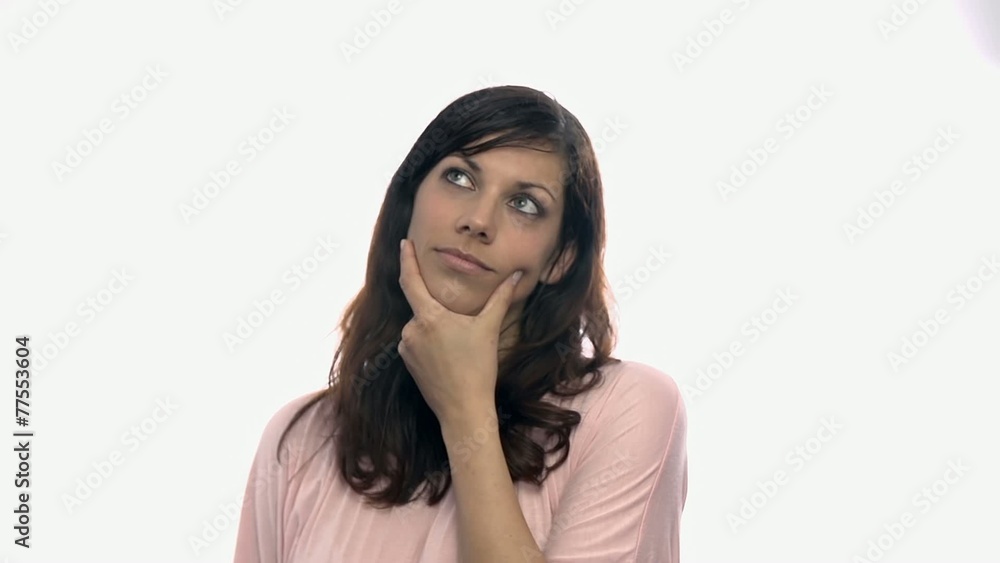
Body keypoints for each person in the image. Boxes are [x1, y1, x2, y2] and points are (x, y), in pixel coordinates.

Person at [233, 85, 687, 562]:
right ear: (410, 202)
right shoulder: (301, 440)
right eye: (460, 177)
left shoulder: (629, 410)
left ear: (560, 259)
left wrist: (465, 410)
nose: (478, 220)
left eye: (524, 204)